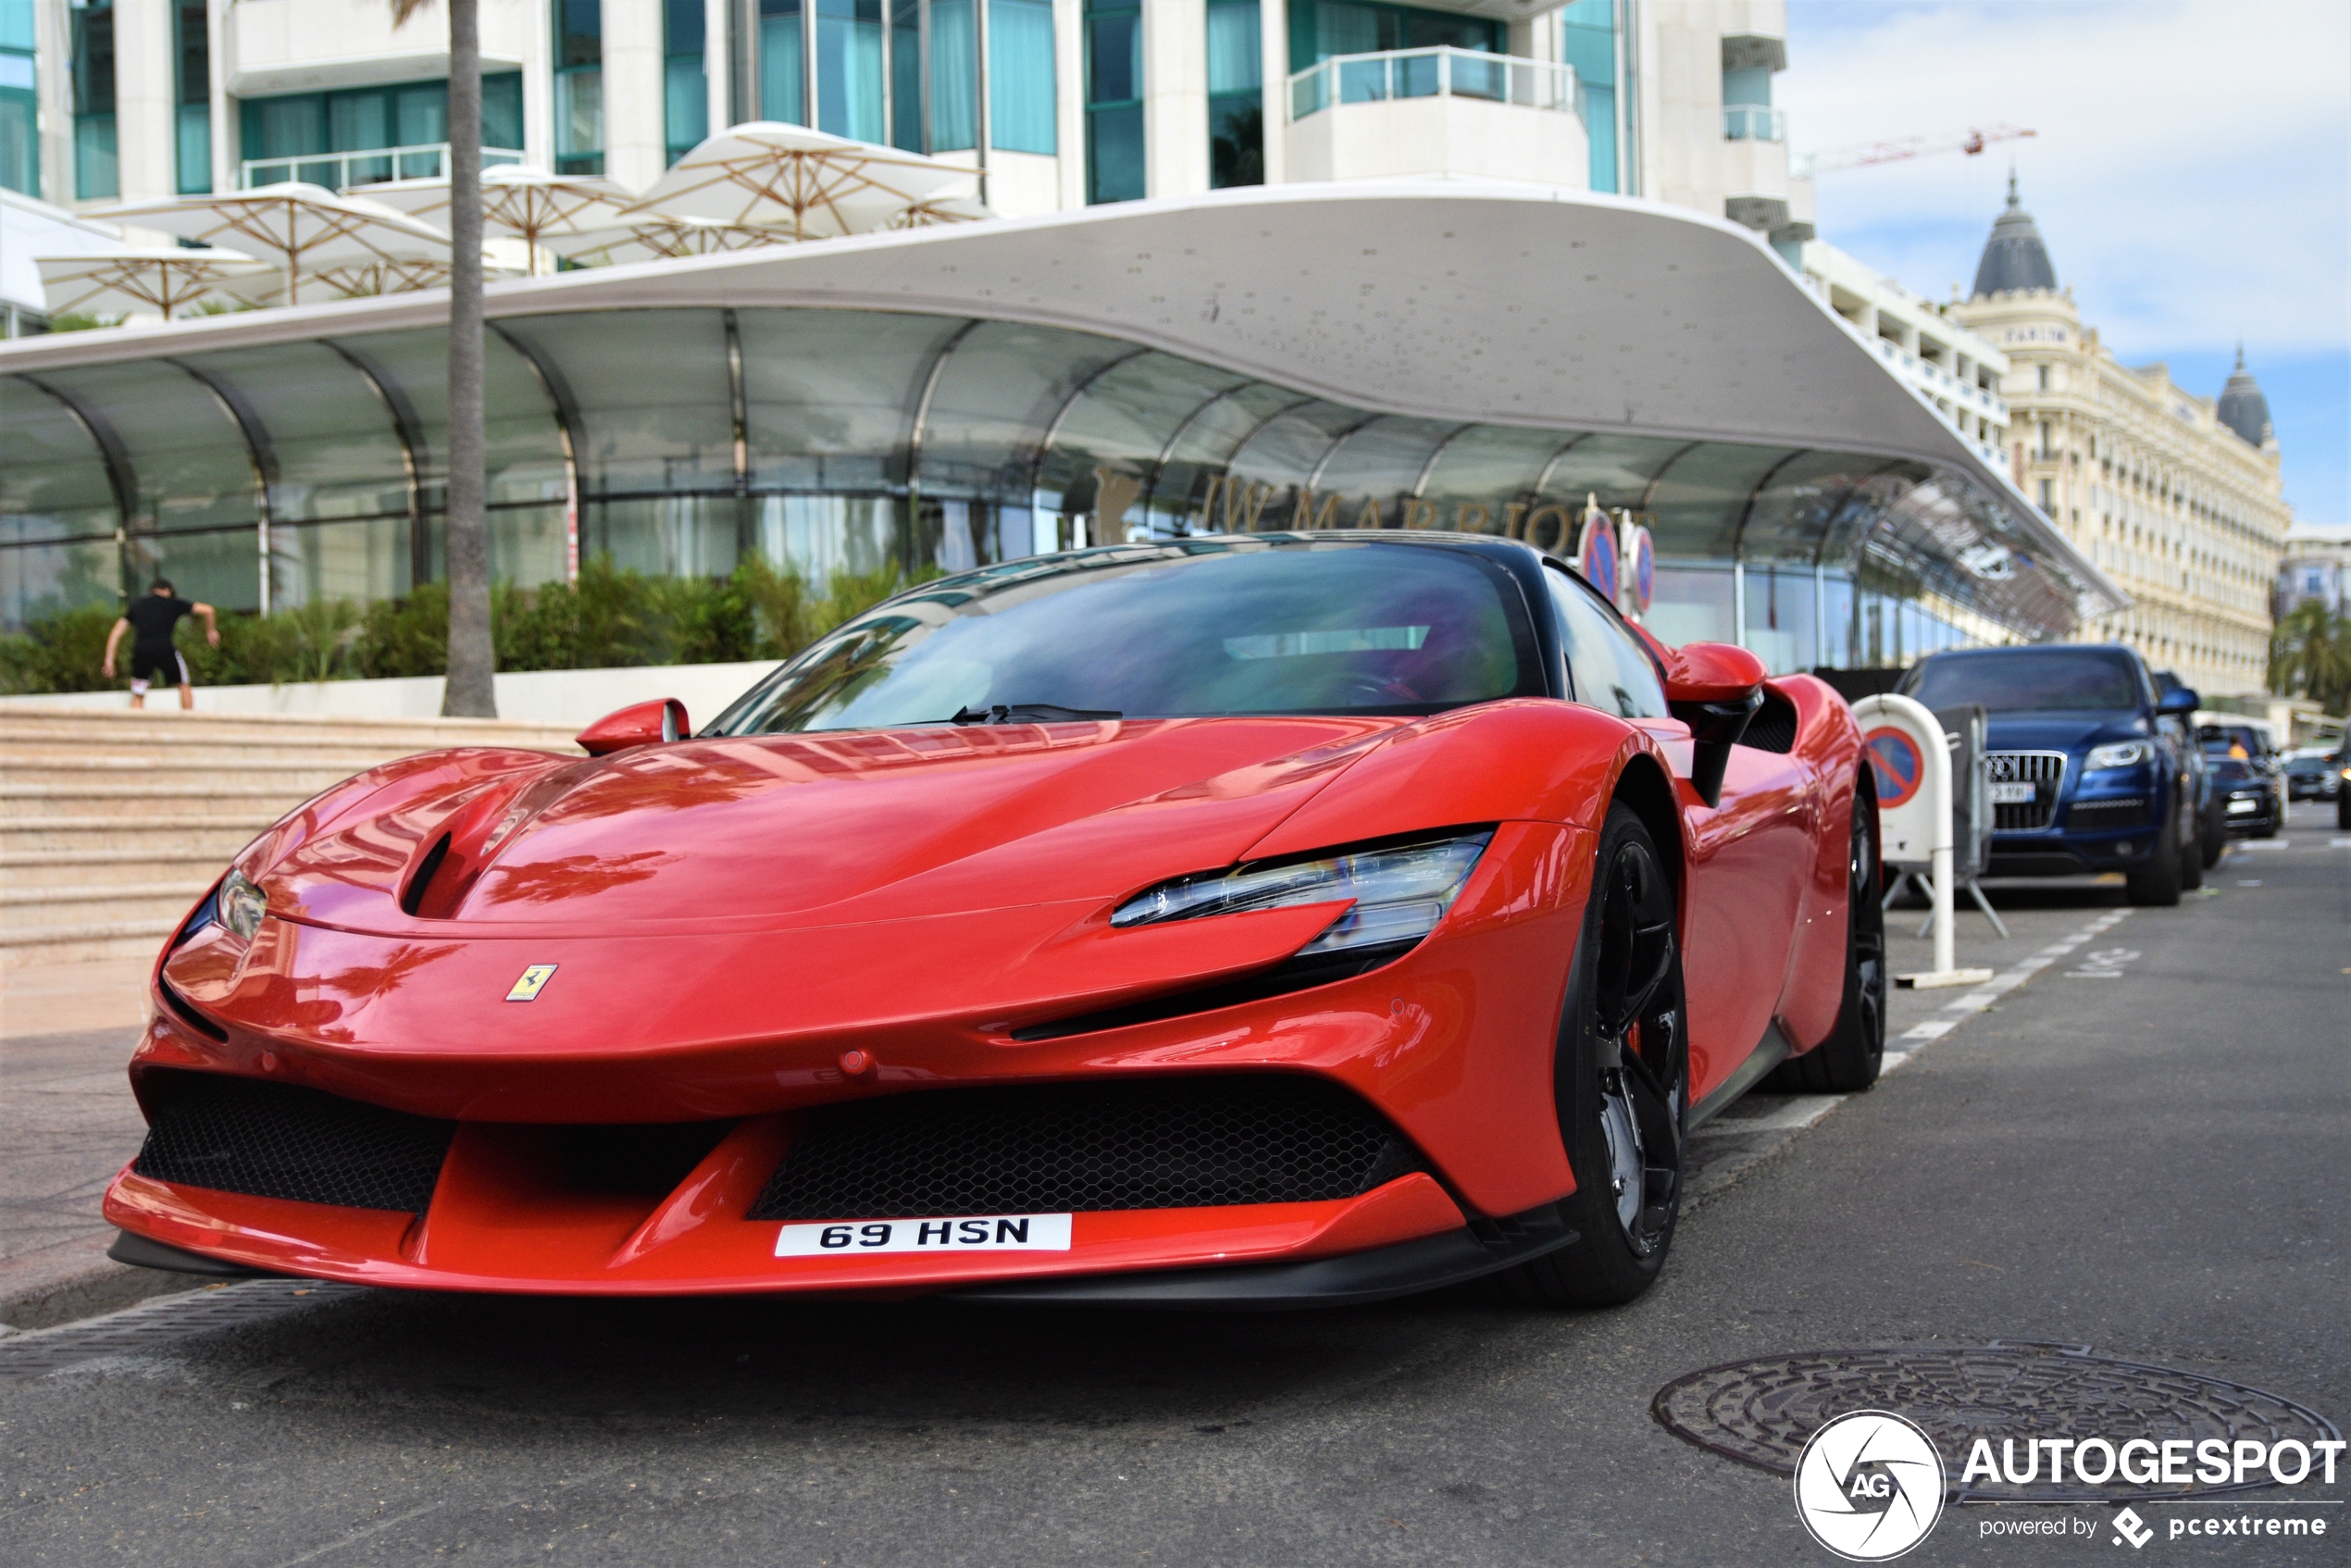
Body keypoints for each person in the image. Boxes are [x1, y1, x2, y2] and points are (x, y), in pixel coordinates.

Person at [101, 579, 220, 710]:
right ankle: (188, 724)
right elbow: (208, 610)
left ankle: (135, 727)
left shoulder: (138, 605)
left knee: (139, 693)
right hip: (165, 649)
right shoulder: (173, 603)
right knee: (183, 685)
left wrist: (109, 660)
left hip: (142, 650)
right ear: (167, 590)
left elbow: (116, 633)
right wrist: (211, 631)